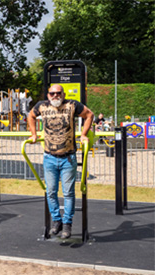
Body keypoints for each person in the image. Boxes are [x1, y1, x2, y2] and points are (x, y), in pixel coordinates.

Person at [27, 84, 94, 239]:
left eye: (58, 93)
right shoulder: (41, 106)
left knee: (68, 193)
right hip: (49, 156)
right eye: (52, 93)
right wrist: (34, 134)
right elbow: (30, 116)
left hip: (68, 157)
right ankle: (56, 221)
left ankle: (67, 224)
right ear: (48, 94)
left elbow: (89, 114)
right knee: (50, 191)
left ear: (63, 94)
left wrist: (84, 134)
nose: (55, 96)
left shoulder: (72, 105)